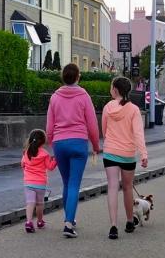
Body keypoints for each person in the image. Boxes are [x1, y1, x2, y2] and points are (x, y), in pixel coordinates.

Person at [46, 63, 102, 238]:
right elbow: (92, 124)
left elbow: (49, 126)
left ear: (63, 77)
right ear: (78, 77)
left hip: (60, 143)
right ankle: (69, 224)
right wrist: (95, 145)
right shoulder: (84, 96)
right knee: (74, 183)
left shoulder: (55, 97)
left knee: (66, 182)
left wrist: (50, 142)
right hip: (78, 142)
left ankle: (68, 217)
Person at [102, 77, 149, 239]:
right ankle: (130, 221)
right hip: (128, 154)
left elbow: (104, 130)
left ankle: (113, 226)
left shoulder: (108, 107)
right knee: (128, 188)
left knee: (112, 187)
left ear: (115, 89)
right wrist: (143, 154)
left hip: (110, 152)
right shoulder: (134, 109)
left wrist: (110, 142)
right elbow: (138, 134)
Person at [21, 129, 57, 233]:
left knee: (30, 202)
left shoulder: (26, 152)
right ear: (43, 141)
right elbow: (50, 167)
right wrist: (56, 160)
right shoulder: (45, 154)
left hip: (28, 182)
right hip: (40, 183)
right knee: (39, 204)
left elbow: (22, 164)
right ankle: (40, 222)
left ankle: (28, 222)